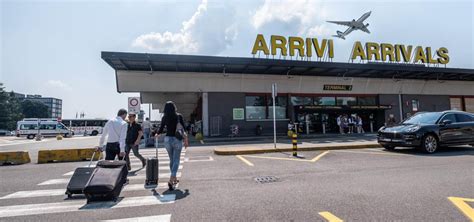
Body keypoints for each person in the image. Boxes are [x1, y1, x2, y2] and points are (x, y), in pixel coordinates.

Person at [156, 101, 189, 189]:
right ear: (174, 107)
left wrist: (157, 134)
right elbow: (183, 129)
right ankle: (172, 178)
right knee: (176, 160)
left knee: (172, 160)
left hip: (167, 140)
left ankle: (174, 178)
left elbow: (161, 128)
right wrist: (186, 139)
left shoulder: (164, 117)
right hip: (177, 139)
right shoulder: (178, 116)